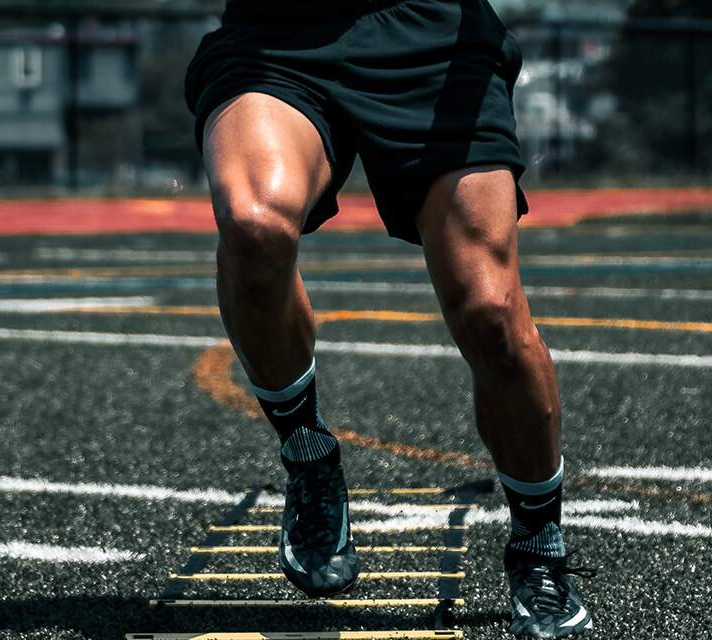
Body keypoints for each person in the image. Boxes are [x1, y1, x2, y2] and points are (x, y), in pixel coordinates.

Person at [185, 0, 594, 636]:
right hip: (277, 39)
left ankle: (538, 545)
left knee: (491, 312)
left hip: (431, 35)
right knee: (254, 225)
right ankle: (309, 453)